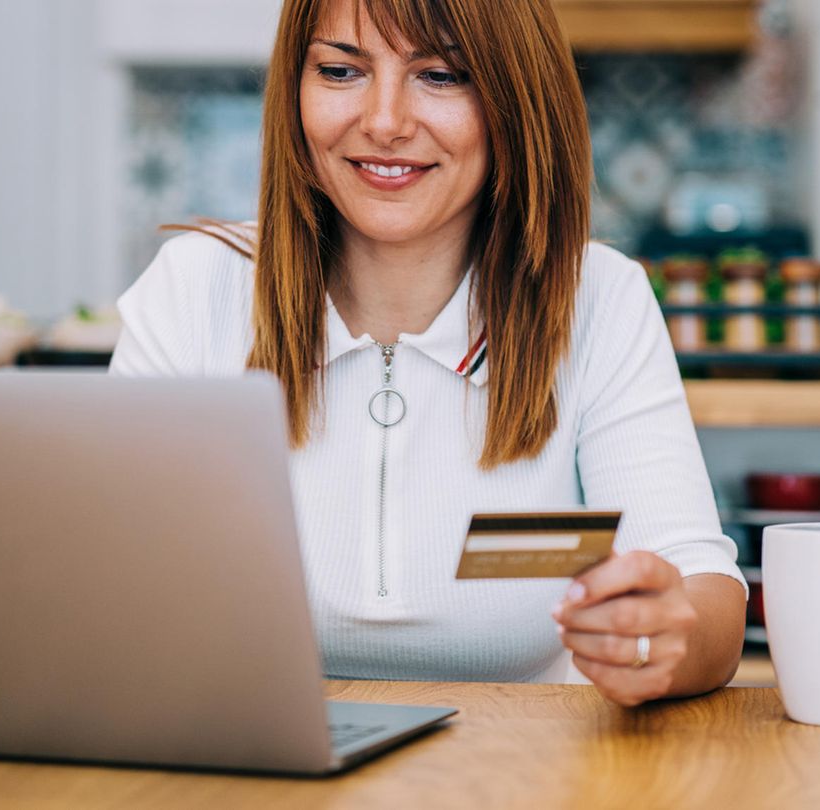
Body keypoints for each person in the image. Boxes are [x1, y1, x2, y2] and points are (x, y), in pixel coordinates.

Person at [111, 0, 746, 707]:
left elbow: (704, 594)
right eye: (340, 70)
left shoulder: (598, 299)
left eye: (441, 75)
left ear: (515, 99)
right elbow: (103, 583)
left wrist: (665, 636)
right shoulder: (194, 290)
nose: (384, 121)